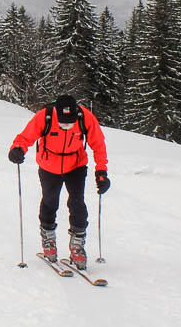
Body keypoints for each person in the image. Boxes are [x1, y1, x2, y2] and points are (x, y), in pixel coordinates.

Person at [8, 94, 110, 269]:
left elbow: (98, 144)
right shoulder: (45, 116)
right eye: (63, 123)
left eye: (70, 123)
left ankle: (77, 245)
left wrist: (102, 171)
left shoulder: (85, 117)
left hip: (76, 165)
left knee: (77, 203)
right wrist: (17, 149)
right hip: (49, 165)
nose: (66, 126)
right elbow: (25, 137)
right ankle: (48, 239)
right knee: (50, 201)